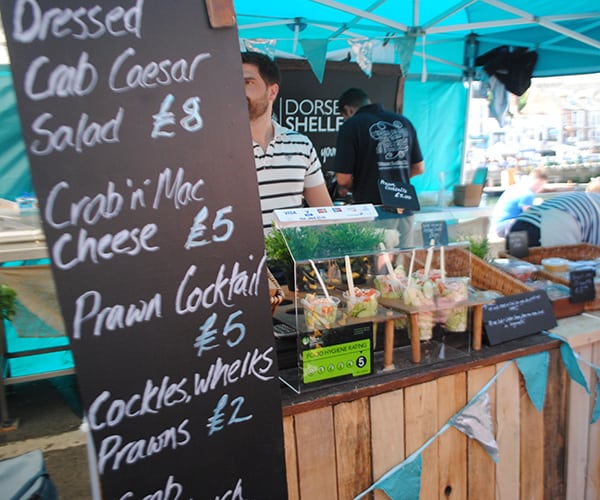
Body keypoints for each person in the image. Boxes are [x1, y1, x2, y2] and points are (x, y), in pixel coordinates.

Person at [241, 51, 332, 234]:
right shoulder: (218, 149)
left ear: (272, 91)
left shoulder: (301, 145)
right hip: (238, 261)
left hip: (290, 260)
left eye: (247, 82)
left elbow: (325, 213)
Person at [332, 88, 424, 249]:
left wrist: (360, 185)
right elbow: (419, 168)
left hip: (373, 210)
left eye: (343, 116)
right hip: (405, 206)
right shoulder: (404, 122)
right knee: (403, 266)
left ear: (348, 109)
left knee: (377, 267)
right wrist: (394, 183)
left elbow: (343, 178)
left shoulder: (351, 125)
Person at [508, 178, 600, 247]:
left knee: (517, 269)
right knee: (555, 271)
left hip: (519, 226)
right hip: (549, 230)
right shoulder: (596, 204)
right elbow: (595, 250)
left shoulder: (580, 198)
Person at [491, 167, 549, 237]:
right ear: (533, 180)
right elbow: (529, 215)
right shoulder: (527, 194)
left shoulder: (517, 187)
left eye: (542, 185)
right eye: (539, 184)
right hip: (506, 226)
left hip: (498, 225)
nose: (540, 188)